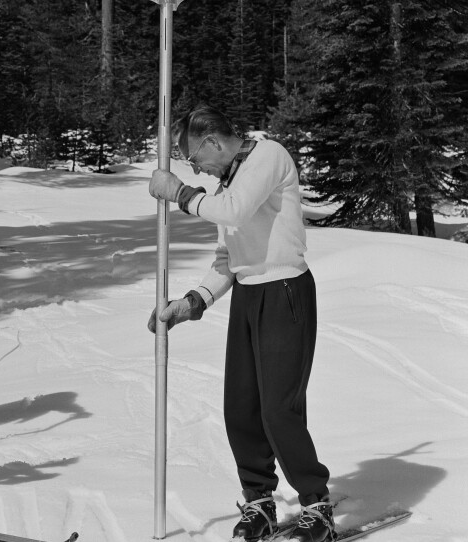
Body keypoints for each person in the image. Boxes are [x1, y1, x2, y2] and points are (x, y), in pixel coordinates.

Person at [147, 105, 334, 542]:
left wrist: (180, 192)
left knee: (278, 410)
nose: (199, 168)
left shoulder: (267, 156)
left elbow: (232, 211)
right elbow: (227, 260)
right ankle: (259, 502)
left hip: (285, 290)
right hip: (250, 296)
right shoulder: (228, 181)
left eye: (196, 159)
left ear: (213, 141)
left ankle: (316, 504)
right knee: (241, 408)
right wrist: (193, 302)